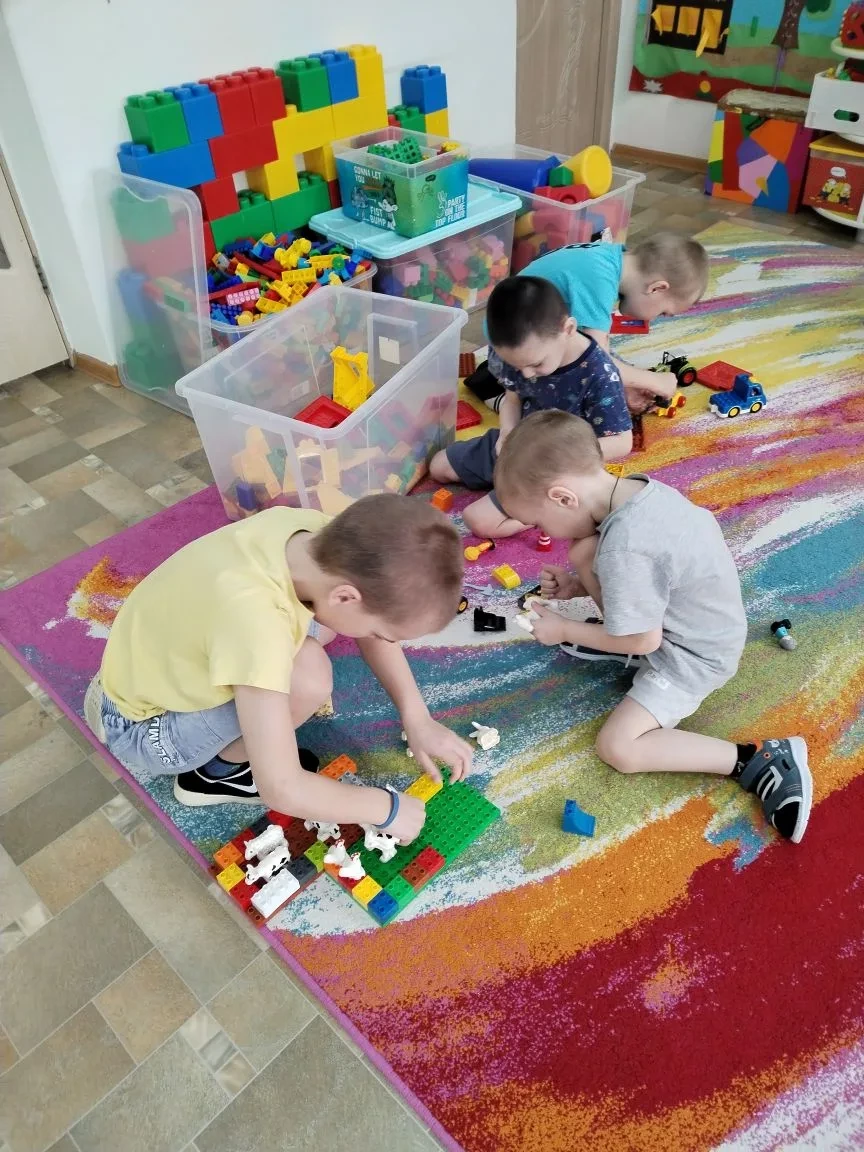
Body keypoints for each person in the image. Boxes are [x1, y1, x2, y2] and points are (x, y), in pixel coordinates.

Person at [494, 410, 812, 843]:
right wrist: (576, 585)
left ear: (563, 498)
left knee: (618, 747)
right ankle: (606, 630)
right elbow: (655, 572)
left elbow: (642, 639)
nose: (541, 532)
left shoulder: (625, 549)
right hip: (703, 625)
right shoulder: (641, 491)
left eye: (538, 522)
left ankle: (758, 761)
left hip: (692, 660)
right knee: (584, 551)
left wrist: (566, 630)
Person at [83, 495, 473, 846]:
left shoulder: (315, 535)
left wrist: (416, 715)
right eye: (378, 632)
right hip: (141, 729)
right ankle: (215, 775)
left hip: (148, 666)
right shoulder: (256, 623)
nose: (376, 639)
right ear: (346, 596)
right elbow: (282, 787)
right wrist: (385, 808)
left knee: (323, 628)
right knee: (308, 678)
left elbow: (365, 614)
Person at [430, 274, 632, 539]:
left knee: (478, 521)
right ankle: (511, 488)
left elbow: (622, 441)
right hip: (519, 442)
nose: (525, 374)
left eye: (536, 364)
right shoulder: (520, 353)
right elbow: (512, 400)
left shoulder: (600, 374)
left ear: (568, 329)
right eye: (517, 366)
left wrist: (558, 455)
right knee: (438, 466)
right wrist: (506, 435)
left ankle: (543, 517)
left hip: (555, 467)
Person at [464, 232, 710, 414]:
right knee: (568, 412)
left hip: (532, 336)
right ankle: (495, 390)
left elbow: (594, 345)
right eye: (663, 312)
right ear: (657, 288)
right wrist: (652, 381)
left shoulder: (610, 258)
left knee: (605, 376)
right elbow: (597, 362)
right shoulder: (598, 279)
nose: (655, 319)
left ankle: (499, 378)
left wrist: (626, 384)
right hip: (514, 351)